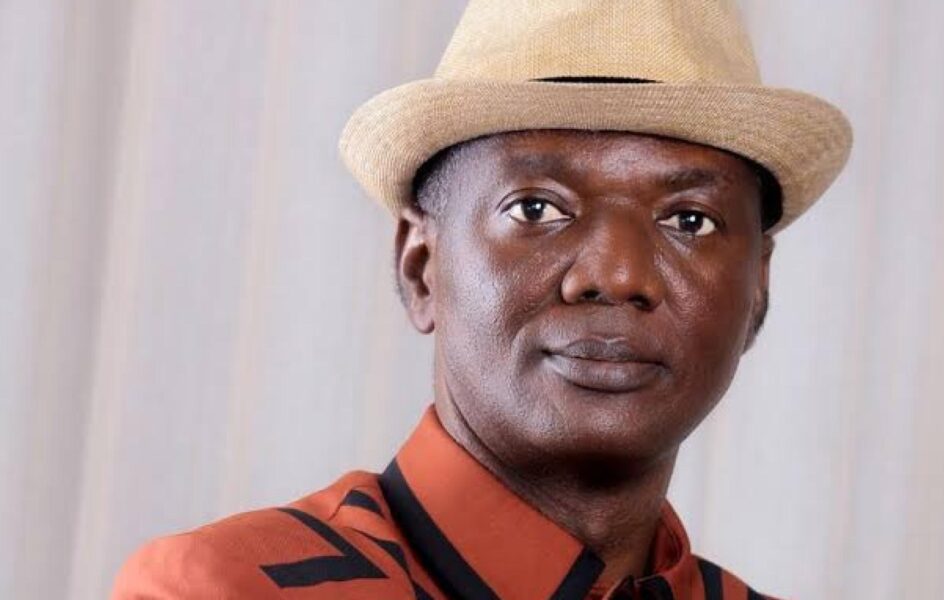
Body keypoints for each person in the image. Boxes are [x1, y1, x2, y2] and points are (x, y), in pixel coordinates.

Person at [113, 1, 851, 598]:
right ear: (420, 265)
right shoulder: (232, 589)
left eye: (689, 220)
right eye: (536, 208)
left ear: (757, 287)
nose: (618, 273)